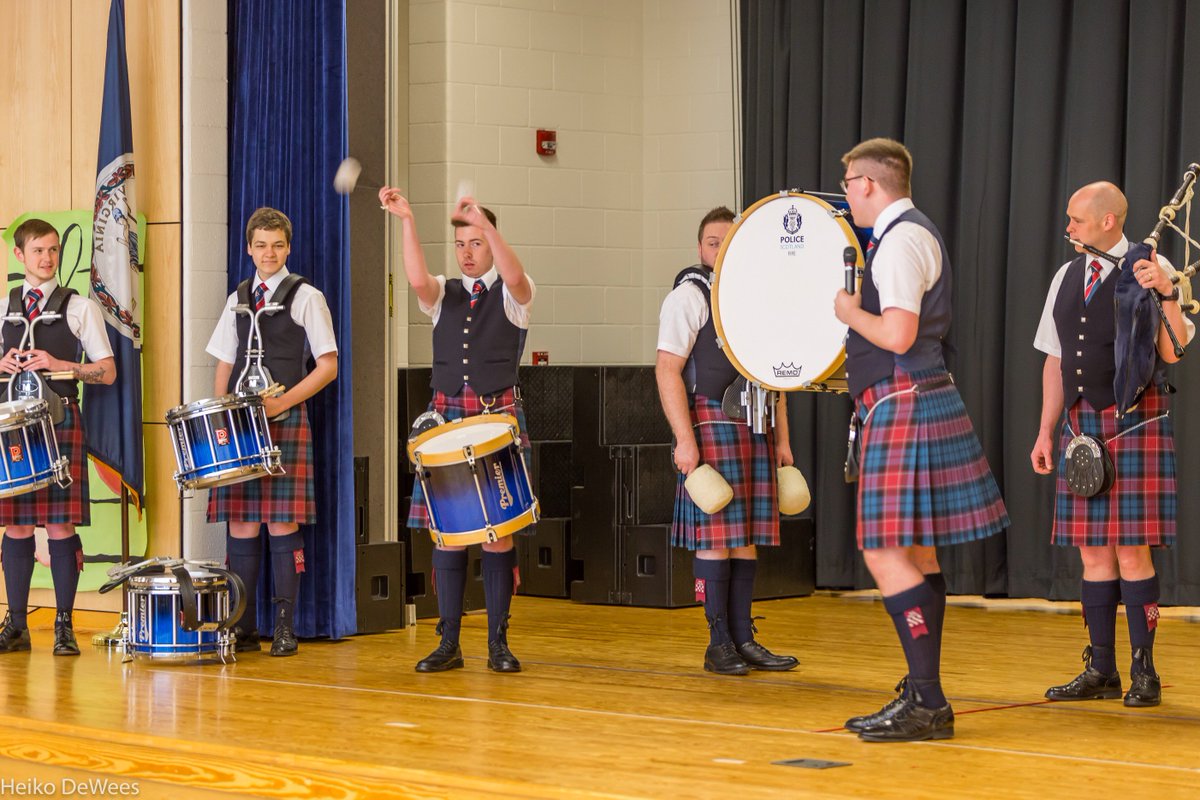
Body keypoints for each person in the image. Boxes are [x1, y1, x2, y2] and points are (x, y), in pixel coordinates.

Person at [833, 138, 1009, 741]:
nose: (848, 192)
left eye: (851, 182)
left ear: (869, 184)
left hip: (905, 399)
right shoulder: (907, 233)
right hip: (917, 397)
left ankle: (928, 701)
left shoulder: (899, 241)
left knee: (884, 551)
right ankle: (922, 690)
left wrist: (848, 312)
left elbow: (900, 333)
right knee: (920, 554)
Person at [1030, 181, 1191, 707]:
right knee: (1093, 554)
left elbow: (1175, 349)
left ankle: (1145, 671)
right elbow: (1054, 359)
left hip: (1133, 423)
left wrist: (1165, 292)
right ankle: (1101, 667)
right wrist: (1046, 429)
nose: (1068, 228)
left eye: (1076, 219)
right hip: (1081, 428)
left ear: (1107, 221)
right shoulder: (1065, 276)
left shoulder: (1151, 267)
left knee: (1131, 551)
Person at [379, 187, 534, 674]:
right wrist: (406, 219)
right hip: (446, 422)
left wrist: (488, 224)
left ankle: (498, 643)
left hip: (495, 421)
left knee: (497, 536)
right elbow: (415, 277)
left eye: (477, 243)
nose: (468, 253)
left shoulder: (515, 292)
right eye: (462, 244)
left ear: (492, 242)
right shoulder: (442, 293)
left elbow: (513, 275)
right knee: (447, 535)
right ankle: (448, 642)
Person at [654, 206, 799, 677]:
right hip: (710, 423)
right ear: (701, 248)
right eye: (714, 242)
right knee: (716, 537)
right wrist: (684, 440)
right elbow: (667, 370)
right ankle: (718, 644)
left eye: (731, 241)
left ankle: (744, 638)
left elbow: (774, 375)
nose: (721, 249)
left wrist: (783, 440)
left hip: (756, 425)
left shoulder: (758, 298)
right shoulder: (687, 297)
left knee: (746, 539)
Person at [205, 207, 338, 657]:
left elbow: (328, 366)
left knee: (282, 522)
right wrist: (223, 413)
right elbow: (225, 362)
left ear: (289, 247)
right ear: (249, 248)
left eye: (277, 245)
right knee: (242, 523)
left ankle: (285, 625)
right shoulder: (238, 297)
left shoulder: (307, 296)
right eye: (260, 245)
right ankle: (242, 626)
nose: (269, 253)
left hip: (284, 421)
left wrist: (283, 401)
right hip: (241, 425)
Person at [0, 218, 116, 656]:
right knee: (15, 524)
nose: (48, 259)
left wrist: (57, 363)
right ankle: (16, 624)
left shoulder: (78, 306)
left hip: (59, 422)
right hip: (14, 427)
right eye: (38, 252)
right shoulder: (4, 306)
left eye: (53, 250)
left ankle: (64, 625)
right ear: (20, 256)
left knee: (59, 522)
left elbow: (106, 372)